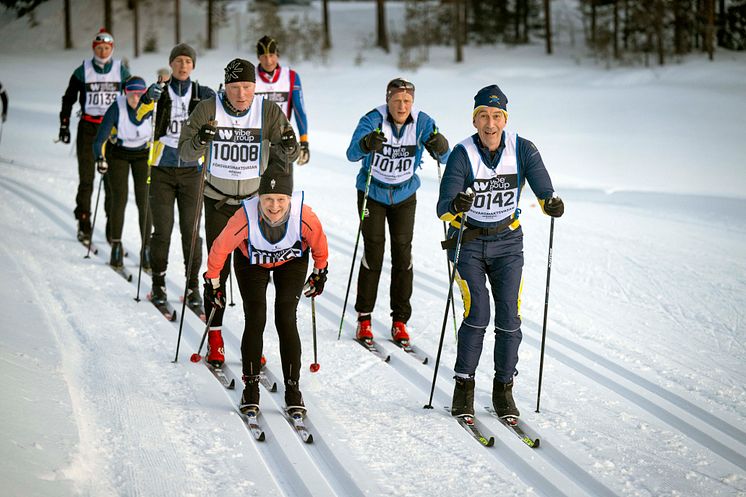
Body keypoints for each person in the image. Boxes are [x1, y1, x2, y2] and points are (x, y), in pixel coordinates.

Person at [436, 84, 564, 420]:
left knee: (509, 318)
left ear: (504, 119)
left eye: (496, 116)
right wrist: (457, 204)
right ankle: (464, 385)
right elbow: (443, 208)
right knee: (478, 313)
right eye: (483, 116)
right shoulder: (462, 153)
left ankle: (503, 388)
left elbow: (543, 190)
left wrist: (551, 203)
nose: (490, 124)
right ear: (475, 119)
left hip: (508, 242)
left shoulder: (523, 149)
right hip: (469, 243)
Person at [179, 58, 300, 368]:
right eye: (235, 88)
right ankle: (215, 336)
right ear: (226, 87)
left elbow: (292, 152)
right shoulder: (208, 108)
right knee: (216, 271)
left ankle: (252, 342)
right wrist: (201, 139)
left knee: (252, 277)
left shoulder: (267, 111)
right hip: (218, 201)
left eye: (247, 87)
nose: (241, 94)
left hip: (252, 207)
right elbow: (184, 151)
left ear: (255, 87)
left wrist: (289, 145)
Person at [203, 156, 328, 415]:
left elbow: (319, 244)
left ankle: (293, 389)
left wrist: (319, 272)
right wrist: (213, 283)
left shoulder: (303, 215)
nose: (274, 206)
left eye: (281, 199)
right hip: (251, 263)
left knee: (285, 317)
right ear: (259, 197)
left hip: (290, 263)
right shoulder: (244, 217)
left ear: (289, 199)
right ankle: (251, 388)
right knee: (256, 316)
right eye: (268, 199)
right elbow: (219, 248)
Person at [345, 77, 451, 344]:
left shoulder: (423, 121)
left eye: (407, 101)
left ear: (412, 102)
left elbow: (446, 156)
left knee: (403, 254)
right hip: (373, 192)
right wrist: (367, 143)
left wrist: (441, 145)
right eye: (396, 100)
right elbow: (351, 153)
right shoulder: (373, 119)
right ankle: (364, 318)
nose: (402, 106)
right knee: (374, 252)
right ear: (388, 100)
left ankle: (400, 320)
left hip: (404, 194)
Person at [136, 44, 215, 308]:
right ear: (171, 64)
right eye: (179, 61)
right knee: (163, 231)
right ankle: (158, 284)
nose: (183, 66)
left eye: (188, 61)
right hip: (162, 170)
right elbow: (139, 116)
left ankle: (193, 287)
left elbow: (221, 113)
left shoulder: (202, 94)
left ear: (193, 66)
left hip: (192, 171)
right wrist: (148, 98)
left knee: (190, 231)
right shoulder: (159, 92)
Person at [58, 28, 130, 245]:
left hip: (113, 131)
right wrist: (64, 125)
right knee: (87, 179)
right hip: (88, 128)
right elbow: (68, 98)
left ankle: (111, 229)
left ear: (112, 49)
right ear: (93, 48)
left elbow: (133, 98)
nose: (102, 51)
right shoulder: (83, 71)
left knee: (111, 182)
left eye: (106, 47)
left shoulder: (121, 71)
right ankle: (84, 223)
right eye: (99, 47)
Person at [92, 76, 155, 268]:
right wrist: (100, 159)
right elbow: (99, 139)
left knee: (144, 201)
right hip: (118, 153)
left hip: (142, 154)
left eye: (139, 94)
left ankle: (146, 249)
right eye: (131, 94)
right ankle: (116, 246)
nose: (135, 98)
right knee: (118, 198)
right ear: (125, 93)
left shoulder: (152, 106)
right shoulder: (116, 107)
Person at [254, 35, 310, 165]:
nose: (268, 61)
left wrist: (304, 142)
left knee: (283, 184)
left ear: (277, 55)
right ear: (258, 57)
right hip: (256, 141)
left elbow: (299, 111)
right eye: (264, 56)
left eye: (271, 55)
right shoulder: (251, 76)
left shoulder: (290, 76)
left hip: (282, 140)